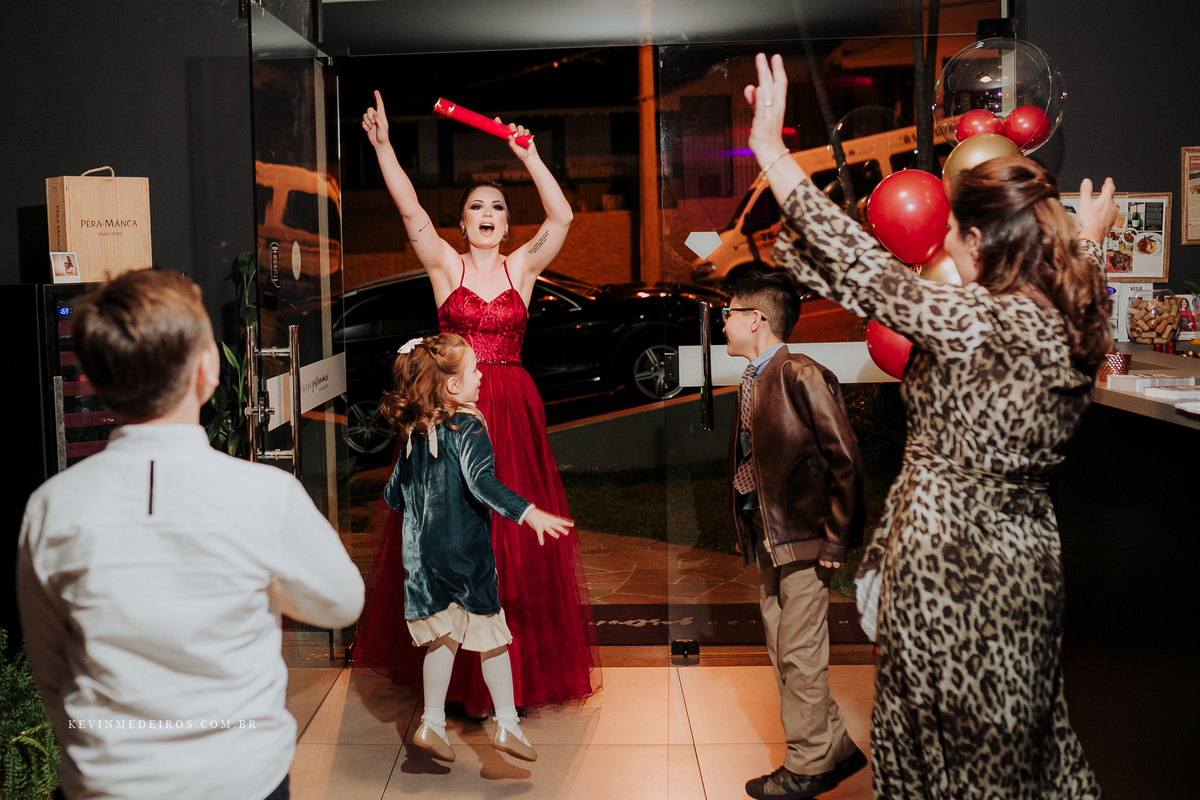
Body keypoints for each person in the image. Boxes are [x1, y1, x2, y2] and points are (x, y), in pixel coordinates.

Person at [744, 54, 1113, 799]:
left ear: (984, 246)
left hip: (953, 569)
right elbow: (1063, 276)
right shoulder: (1076, 319)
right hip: (1025, 565)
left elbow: (864, 270)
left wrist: (776, 158)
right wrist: (1082, 239)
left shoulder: (980, 322)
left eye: (954, 236)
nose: (941, 247)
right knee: (1020, 738)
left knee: (941, 752)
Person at [16, 269, 365, 800]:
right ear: (207, 369)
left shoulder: (50, 508)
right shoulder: (265, 494)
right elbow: (342, 603)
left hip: (108, 786)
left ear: (91, 377)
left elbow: (50, 667)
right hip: (242, 780)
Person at [352, 91, 599, 712]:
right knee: (448, 534)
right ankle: (451, 680)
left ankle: (509, 680)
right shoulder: (444, 266)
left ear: (506, 225)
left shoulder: (523, 269)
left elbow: (564, 218)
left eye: (496, 207)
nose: (486, 213)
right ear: (461, 224)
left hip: (511, 405)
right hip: (450, 409)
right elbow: (409, 211)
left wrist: (530, 154)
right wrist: (384, 148)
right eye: (475, 207)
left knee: (507, 537)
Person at [379, 333, 574, 764]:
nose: (482, 375)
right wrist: (528, 512)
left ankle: (431, 724)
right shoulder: (466, 425)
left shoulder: (414, 432)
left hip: (422, 562)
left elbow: (393, 497)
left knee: (442, 640)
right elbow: (482, 483)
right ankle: (507, 725)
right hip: (466, 558)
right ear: (452, 386)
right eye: (474, 370)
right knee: (493, 639)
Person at [722, 269, 868, 800]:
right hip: (770, 533)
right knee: (782, 642)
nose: (723, 321)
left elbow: (845, 461)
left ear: (755, 319)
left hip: (804, 538)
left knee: (800, 650)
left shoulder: (801, 374)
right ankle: (836, 746)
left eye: (729, 312)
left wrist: (835, 541)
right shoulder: (754, 376)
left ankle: (808, 764)